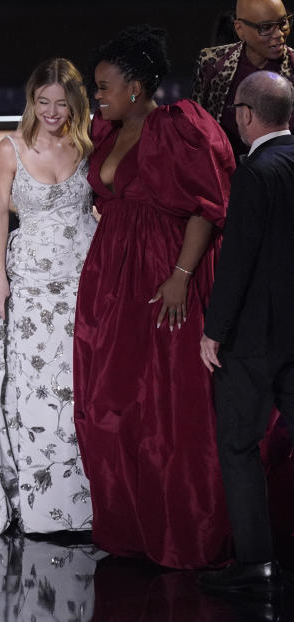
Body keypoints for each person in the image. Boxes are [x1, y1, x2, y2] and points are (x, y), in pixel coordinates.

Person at [74, 25, 235, 569]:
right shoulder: (103, 131)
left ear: (136, 87)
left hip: (166, 275)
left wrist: (181, 275)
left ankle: (184, 529)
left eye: (104, 85)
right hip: (113, 279)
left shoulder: (180, 126)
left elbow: (207, 208)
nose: (97, 94)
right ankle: (133, 527)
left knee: (170, 403)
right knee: (112, 404)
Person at [0, 58, 97, 536]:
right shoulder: (10, 148)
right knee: (34, 388)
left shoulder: (89, 145)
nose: (52, 111)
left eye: (61, 103)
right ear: (31, 101)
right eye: (43, 102)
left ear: (75, 103)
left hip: (85, 278)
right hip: (31, 283)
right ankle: (39, 503)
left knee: (80, 385)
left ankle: (88, 504)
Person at [198, 71, 294, 594]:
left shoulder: (255, 171)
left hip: (255, 339)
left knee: (238, 446)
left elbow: (238, 259)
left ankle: (256, 565)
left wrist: (214, 330)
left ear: (245, 115)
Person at [193, 0, 294, 158]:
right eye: (266, 27)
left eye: (283, 23)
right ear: (240, 29)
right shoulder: (213, 63)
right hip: (225, 175)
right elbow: (197, 129)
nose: (279, 34)